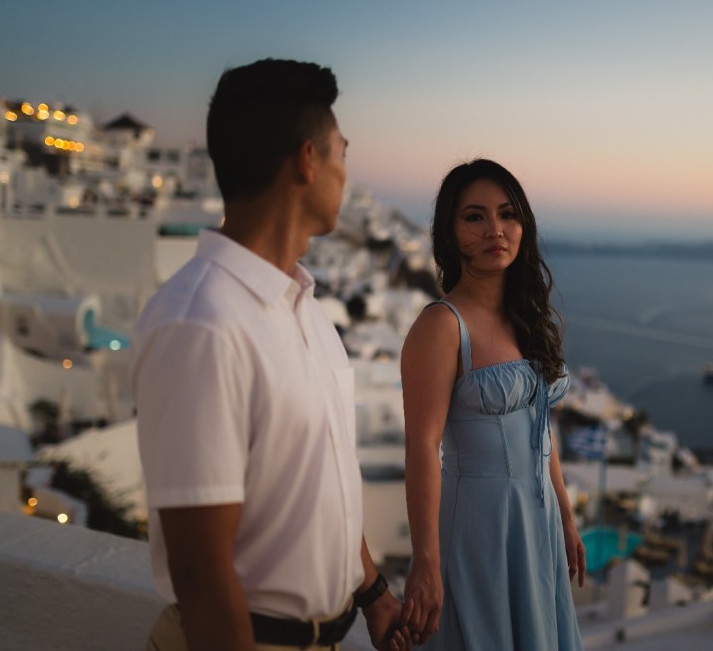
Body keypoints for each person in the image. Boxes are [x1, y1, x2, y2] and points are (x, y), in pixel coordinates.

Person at [131, 59, 411, 651]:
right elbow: (202, 578)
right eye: (342, 152)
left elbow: (323, 482)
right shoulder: (201, 325)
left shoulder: (306, 309)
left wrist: (373, 594)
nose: (346, 171)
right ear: (308, 161)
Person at [400, 159, 585, 650]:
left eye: (507, 214)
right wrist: (425, 560)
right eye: (475, 217)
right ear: (449, 230)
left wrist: (565, 517)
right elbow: (421, 447)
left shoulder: (526, 320)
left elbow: (540, 431)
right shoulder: (441, 326)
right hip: (480, 526)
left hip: (537, 523)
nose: (495, 230)